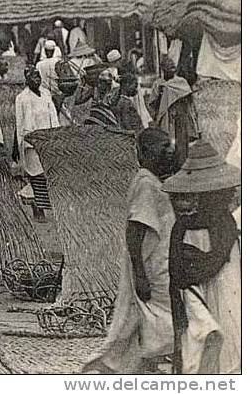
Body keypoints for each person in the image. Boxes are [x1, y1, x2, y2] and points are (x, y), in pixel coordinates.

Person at [84, 128, 175, 374]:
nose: (169, 152)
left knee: (148, 320)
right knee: (159, 319)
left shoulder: (155, 182)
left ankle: (138, 365)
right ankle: (148, 364)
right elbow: (134, 232)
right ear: (145, 153)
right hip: (150, 266)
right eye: (163, 147)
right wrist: (140, 273)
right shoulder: (146, 184)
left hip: (158, 263)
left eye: (170, 146)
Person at [162, 141, 240, 374]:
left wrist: (191, 271)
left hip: (220, 285)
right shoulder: (216, 223)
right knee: (226, 339)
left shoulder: (199, 225)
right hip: (224, 285)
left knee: (221, 338)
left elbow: (187, 269)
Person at [14, 66, 59, 221]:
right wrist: (22, 142)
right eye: (33, 77)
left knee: (47, 175)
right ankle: (38, 208)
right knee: (36, 176)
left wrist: (56, 136)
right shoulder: (22, 98)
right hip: (32, 144)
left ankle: (42, 204)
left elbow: (53, 116)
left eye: (38, 76)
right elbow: (20, 123)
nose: (36, 80)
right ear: (26, 79)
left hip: (48, 141)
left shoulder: (46, 94)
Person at [147, 56, 199, 168]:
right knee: (167, 141)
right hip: (165, 117)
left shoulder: (181, 82)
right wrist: (161, 94)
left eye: (172, 68)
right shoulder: (158, 84)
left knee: (181, 142)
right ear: (163, 70)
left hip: (180, 117)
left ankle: (182, 165)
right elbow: (152, 104)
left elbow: (189, 101)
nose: (171, 71)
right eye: (168, 69)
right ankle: (170, 167)